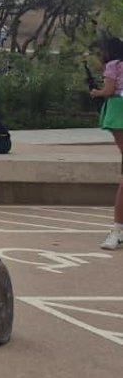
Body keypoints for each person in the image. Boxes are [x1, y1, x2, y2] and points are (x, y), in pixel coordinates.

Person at [88, 36, 123, 250]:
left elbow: (109, 90)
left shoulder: (112, 65)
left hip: (117, 109)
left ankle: (117, 229)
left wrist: (96, 92)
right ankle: (117, 229)